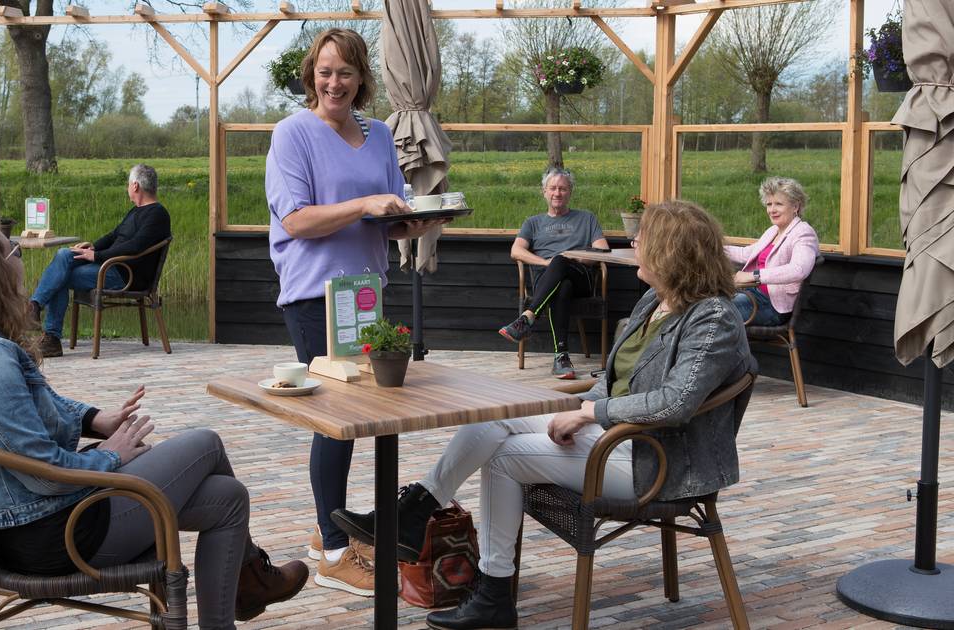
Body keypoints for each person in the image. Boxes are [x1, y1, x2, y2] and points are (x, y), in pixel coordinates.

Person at [332, 200, 757, 629]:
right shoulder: (654, 300)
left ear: (671, 251)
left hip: (658, 460)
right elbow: (613, 379)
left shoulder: (713, 317)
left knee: (502, 457)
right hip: (620, 436)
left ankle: (485, 587)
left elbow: (675, 402)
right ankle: (418, 513)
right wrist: (579, 407)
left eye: (643, 237)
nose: (633, 242)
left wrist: (591, 414)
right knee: (490, 417)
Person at [0, 218, 307, 630]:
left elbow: (37, 408)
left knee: (228, 496)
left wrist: (94, 419)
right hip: (60, 533)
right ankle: (253, 579)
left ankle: (242, 593)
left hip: (41, 520)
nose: (21, 259)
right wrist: (108, 456)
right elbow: (45, 476)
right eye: (14, 251)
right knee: (206, 443)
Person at [264, 27, 447, 596]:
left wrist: (410, 222)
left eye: (345, 72)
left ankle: (328, 531)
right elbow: (295, 220)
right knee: (337, 418)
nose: (333, 82)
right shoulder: (291, 134)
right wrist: (366, 203)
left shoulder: (378, 135)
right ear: (310, 76)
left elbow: (383, 215)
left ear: (362, 78)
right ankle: (336, 551)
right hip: (313, 294)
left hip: (366, 292)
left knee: (360, 413)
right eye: (324, 71)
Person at [29, 164, 171, 357]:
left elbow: (135, 246)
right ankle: (35, 307)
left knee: (60, 277)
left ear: (135, 186)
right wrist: (93, 247)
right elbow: (114, 236)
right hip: (111, 266)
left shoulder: (158, 214)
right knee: (64, 255)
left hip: (123, 275)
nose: (128, 188)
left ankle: (49, 334)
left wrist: (96, 256)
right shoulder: (135, 211)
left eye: (128, 184)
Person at [497, 168, 609, 379]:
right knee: (562, 286)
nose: (557, 193)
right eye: (553, 188)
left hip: (581, 278)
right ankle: (561, 357)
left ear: (570, 192)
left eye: (563, 189)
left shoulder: (587, 218)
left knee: (562, 263)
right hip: (548, 283)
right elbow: (516, 251)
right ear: (544, 192)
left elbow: (602, 250)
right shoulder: (533, 222)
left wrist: (572, 259)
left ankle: (527, 318)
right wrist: (547, 263)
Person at [725, 176, 819, 326]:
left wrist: (753, 276)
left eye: (778, 204)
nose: (772, 210)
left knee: (714, 311)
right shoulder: (773, 230)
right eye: (769, 204)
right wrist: (712, 247)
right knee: (706, 302)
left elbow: (798, 269)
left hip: (772, 307)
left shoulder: (803, 233)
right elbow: (746, 254)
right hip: (753, 295)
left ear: (795, 206)